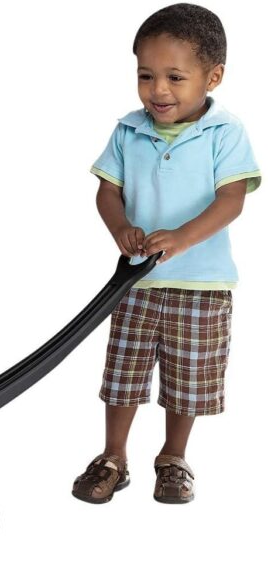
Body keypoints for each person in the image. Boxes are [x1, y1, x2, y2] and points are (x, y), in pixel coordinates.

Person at [72, 3, 261, 504]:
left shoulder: (226, 133)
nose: (158, 90)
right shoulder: (129, 130)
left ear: (212, 77)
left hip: (202, 285)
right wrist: (121, 228)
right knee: (123, 374)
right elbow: (107, 192)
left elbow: (231, 199)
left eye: (175, 77)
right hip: (136, 282)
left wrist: (181, 237)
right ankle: (113, 457)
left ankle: (173, 458)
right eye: (146, 75)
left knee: (188, 378)